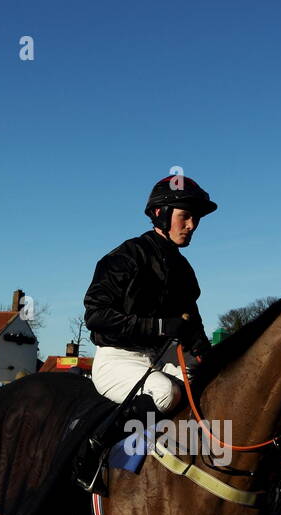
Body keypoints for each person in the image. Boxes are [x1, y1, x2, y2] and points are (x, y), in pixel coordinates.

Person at [73, 175, 218, 489]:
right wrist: (159, 327)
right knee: (166, 392)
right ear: (160, 215)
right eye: (185, 216)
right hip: (117, 359)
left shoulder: (183, 271)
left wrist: (209, 357)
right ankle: (93, 449)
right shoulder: (125, 257)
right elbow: (95, 316)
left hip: (155, 361)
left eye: (195, 218)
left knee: (205, 386)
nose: (192, 224)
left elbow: (194, 329)